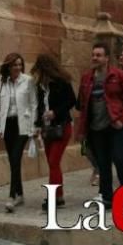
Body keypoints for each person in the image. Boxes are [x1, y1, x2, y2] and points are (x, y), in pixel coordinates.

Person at [77, 42, 123, 208]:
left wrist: (122, 119)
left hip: (114, 125)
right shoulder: (87, 77)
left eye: (98, 55)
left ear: (106, 58)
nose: (94, 58)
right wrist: (82, 129)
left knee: (120, 159)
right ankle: (107, 197)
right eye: (93, 55)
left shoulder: (117, 75)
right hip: (96, 128)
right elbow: (84, 105)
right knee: (102, 164)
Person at [0, 52, 38, 212]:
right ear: (8, 66)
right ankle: (20, 194)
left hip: (22, 125)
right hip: (7, 125)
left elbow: (34, 104)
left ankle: (11, 197)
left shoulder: (28, 81)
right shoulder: (0, 82)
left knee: (16, 158)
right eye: (14, 65)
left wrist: (33, 127)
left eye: (20, 64)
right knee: (12, 160)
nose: (18, 67)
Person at [31, 54, 76, 210]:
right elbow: (39, 107)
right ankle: (59, 196)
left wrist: (55, 112)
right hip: (47, 129)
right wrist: (37, 125)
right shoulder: (41, 87)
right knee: (52, 163)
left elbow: (72, 101)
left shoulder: (61, 82)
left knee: (53, 161)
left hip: (62, 127)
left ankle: (54, 198)